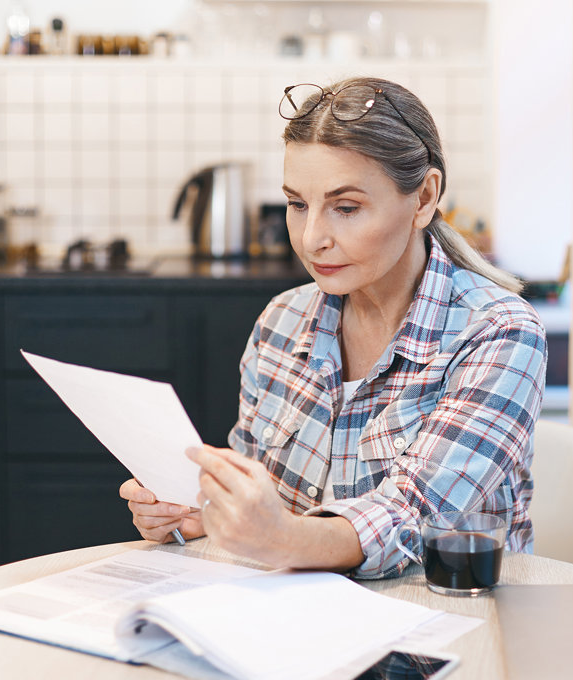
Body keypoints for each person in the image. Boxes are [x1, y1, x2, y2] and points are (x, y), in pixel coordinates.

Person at [120, 77, 546, 579]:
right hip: (302, 620)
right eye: (298, 204)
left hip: (451, 619)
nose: (311, 237)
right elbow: (261, 495)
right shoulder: (281, 321)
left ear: (425, 197)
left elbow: (413, 514)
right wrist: (205, 513)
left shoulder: (499, 333)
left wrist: (284, 537)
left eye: (346, 208)